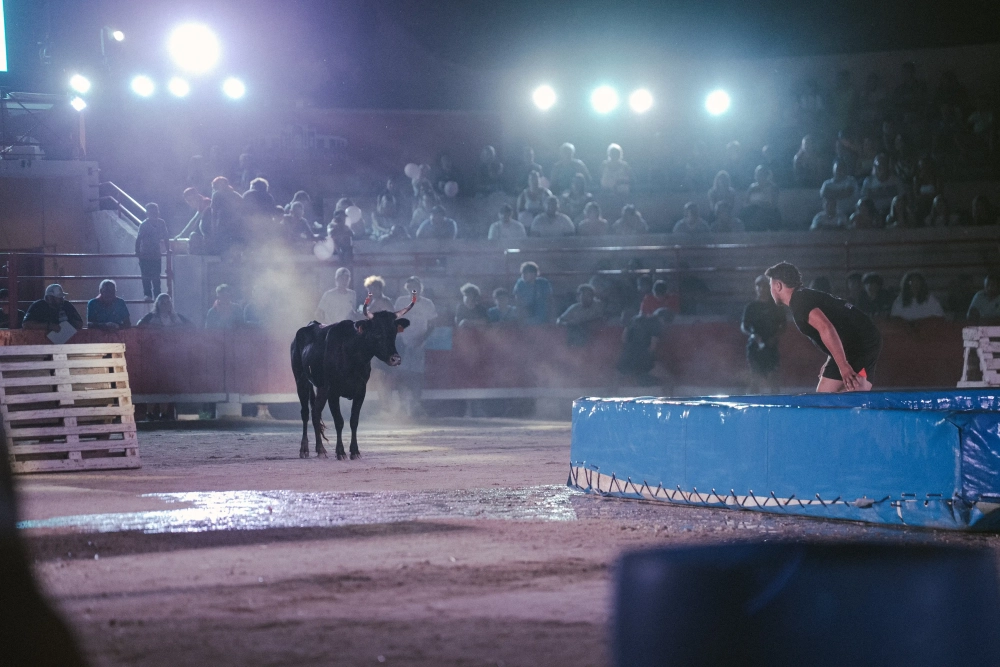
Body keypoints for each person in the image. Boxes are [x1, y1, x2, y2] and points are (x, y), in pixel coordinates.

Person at [766, 261, 881, 392]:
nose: (770, 290)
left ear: (778, 286)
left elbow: (827, 328)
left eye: (770, 285)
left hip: (860, 343)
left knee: (846, 397)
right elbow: (837, 325)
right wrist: (831, 360)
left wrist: (843, 366)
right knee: (825, 396)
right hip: (853, 341)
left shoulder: (800, 302)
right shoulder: (803, 296)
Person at [391, 276, 437, 415]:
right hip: (402, 343)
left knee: (417, 375)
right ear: (407, 288)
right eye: (410, 287)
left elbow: (432, 324)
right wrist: (398, 339)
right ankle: (403, 406)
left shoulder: (427, 303)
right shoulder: (401, 301)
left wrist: (422, 339)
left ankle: (416, 405)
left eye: (416, 286)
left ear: (421, 287)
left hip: (419, 344)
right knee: (402, 374)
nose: (413, 289)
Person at [741, 275, 787, 393]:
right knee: (755, 377)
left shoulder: (777, 307)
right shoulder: (751, 307)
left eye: (764, 286)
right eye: (759, 286)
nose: (762, 289)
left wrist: (774, 337)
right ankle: (751, 405)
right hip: (755, 346)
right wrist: (753, 335)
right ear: (756, 288)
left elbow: (784, 326)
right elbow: (744, 326)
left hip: (771, 346)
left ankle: (777, 405)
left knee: (773, 378)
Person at [617, 308, 673, 385]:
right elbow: (652, 347)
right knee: (668, 379)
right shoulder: (657, 324)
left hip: (627, 356)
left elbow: (624, 338)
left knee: (617, 382)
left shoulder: (635, 319)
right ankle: (668, 396)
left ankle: (609, 395)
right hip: (642, 358)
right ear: (663, 319)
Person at [135, 203, 169, 301]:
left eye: (155, 212)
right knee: (146, 277)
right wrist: (137, 251)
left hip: (156, 255)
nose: (154, 214)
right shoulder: (144, 225)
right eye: (151, 212)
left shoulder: (162, 223)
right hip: (145, 255)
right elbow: (139, 239)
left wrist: (168, 250)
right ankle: (148, 295)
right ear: (147, 214)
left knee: (156, 277)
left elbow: (166, 237)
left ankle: (157, 296)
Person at [208, 176, 246, 253]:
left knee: (224, 252)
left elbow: (213, 214)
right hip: (236, 227)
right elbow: (243, 210)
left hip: (223, 227)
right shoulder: (236, 194)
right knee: (235, 250)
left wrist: (213, 230)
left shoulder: (216, 195)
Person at [860, 154, 902, 219]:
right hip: (874, 214)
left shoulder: (895, 181)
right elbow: (864, 200)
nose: (880, 169)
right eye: (878, 166)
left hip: (892, 213)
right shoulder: (868, 181)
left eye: (883, 165)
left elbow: (901, 197)